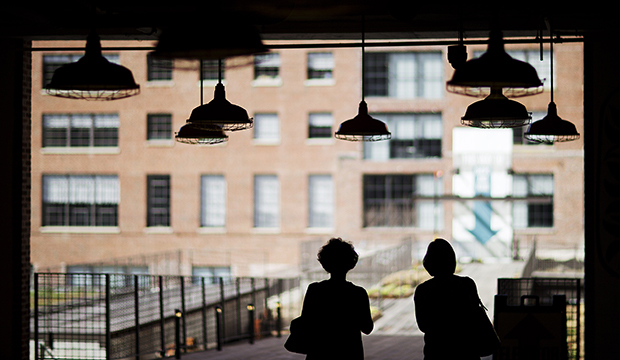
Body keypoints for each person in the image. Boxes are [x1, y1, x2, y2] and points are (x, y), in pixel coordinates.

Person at [299, 238, 374, 359]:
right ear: (351, 263)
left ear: (325, 263)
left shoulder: (315, 290)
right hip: (349, 352)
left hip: (320, 352)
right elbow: (367, 328)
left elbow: (306, 322)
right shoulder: (358, 293)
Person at [414, 238, 483, 360]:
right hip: (467, 351)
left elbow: (423, 326)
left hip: (436, 351)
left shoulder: (423, 290)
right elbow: (475, 317)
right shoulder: (467, 284)